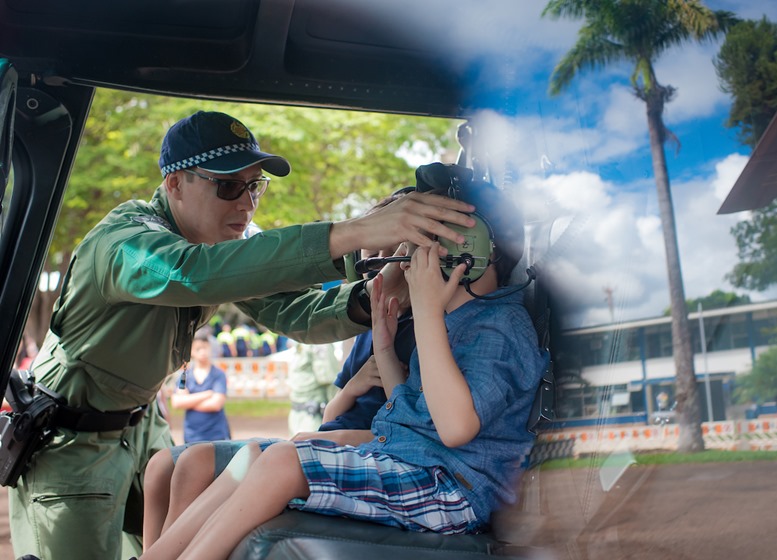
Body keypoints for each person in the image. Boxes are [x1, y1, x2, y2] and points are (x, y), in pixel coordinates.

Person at [8, 110, 476, 560]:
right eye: (228, 186)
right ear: (174, 184)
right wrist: (351, 233)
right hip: (72, 440)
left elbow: (300, 312)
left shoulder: (225, 242)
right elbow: (194, 274)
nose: (247, 203)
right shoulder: (126, 242)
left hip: (140, 429)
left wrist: (379, 297)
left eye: (255, 187)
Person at [141, 174, 549, 560]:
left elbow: (455, 429)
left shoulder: (499, 327)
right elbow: (415, 411)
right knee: (252, 453)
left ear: (470, 251)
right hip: (417, 462)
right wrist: (386, 347)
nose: (403, 267)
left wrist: (425, 313)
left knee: (283, 462)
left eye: (415, 252)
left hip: (451, 489)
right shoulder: (453, 321)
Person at [141, 192, 417, 550]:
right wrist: (353, 387)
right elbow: (333, 412)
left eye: (390, 252)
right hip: (325, 436)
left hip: (346, 448)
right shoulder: (369, 331)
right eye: (371, 252)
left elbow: (411, 432)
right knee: (166, 464)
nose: (379, 264)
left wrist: (320, 439)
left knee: (202, 463)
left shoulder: (415, 333)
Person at [170, 329, 231, 443]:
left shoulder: (218, 374)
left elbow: (216, 404)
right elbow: (177, 403)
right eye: (198, 349)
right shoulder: (185, 376)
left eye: (205, 347)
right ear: (191, 351)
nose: (202, 352)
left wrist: (189, 401)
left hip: (216, 436)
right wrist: (207, 394)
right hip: (191, 436)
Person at [287, 342, 342, 433]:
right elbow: (330, 380)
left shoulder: (301, 340)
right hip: (312, 418)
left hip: (301, 415)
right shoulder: (319, 342)